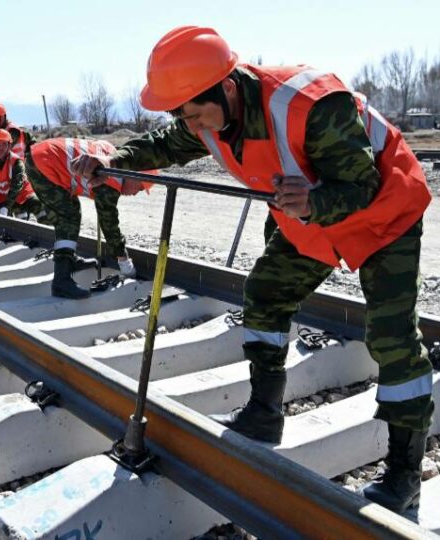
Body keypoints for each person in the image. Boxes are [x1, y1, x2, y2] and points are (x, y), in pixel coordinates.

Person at [71, 26, 433, 513]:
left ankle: (404, 475)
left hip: (384, 213)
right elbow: (168, 143)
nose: (192, 127)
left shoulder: (310, 104)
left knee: (391, 337)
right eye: (183, 117)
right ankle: (264, 413)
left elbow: (362, 185)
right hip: (310, 216)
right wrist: (116, 158)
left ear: (226, 88)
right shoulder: (206, 116)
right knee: (264, 294)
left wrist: (314, 201)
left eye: (195, 115)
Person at [28, 137, 153, 299]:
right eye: (140, 188)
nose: (135, 193)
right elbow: (108, 224)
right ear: (133, 175)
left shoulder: (112, 158)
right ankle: (61, 281)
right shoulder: (112, 179)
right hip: (43, 163)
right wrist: (124, 260)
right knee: (68, 217)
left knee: (71, 210)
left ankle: (69, 260)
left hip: (42, 157)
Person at [0, 129, 48, 222]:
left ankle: (46, 226)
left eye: (4, 144)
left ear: (9, 146)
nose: (0, 148)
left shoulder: (16, 162)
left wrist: (6, 206)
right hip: (1, 197)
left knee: (38, 206)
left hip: (22, 195)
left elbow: (16, 186)